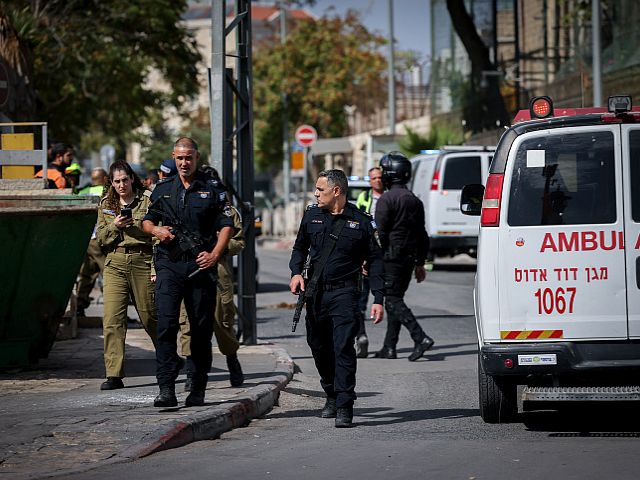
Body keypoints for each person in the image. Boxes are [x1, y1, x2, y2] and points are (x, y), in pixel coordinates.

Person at [143, 137, 234, 408]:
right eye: (180, 158)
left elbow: (227, 223)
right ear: (174, 156)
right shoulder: (163, 187)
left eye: (189, 158)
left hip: (200, 266)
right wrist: (156, 230)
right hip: (169, 264)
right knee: (167, 326)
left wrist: (215, 255)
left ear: (197, 157)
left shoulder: (212, 188)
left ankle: (197, 387)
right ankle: (166, 388)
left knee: (200, 329)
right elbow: (147, 220)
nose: (184, 163)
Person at [289, 169, 384, 428]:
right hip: (316, 293)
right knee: (318, 347)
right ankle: (330, 391)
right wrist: (296, 273)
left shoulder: (361, 221)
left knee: (343, 347)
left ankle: (344, 404)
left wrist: (378, 297)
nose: (316, 194)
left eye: (321, 189)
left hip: (346, 293)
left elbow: (375, 260)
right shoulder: (311, 216)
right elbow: (299, 247)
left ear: (337, 191)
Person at [179, 166, 245, 390]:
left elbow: (239, 241)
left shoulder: (227, 212)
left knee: (222, 320)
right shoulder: (184, 206)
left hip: (218, 271)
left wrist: (221, 244)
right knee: (188, 321)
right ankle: (191, 372)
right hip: (190, 268)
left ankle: (232, 359)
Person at [96, 160, 158, 390]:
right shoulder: (106, 204)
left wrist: (155, 268)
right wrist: (115, 226)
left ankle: (167, 358)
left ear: (132, 178)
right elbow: (100, 238)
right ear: (111, 183)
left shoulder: (148, 200)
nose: (121, 185)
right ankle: (114, 374)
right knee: (112, 320)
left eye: (124, 180)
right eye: (116, 181)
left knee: (150, 316)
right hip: (115, 262)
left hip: (143, 260)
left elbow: (157, 237)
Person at [373, 152, 434, 361]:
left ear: (389, 175)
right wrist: (420, 262)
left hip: (391, 257)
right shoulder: (414, 200)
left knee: (392, 299)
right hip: (408, 258)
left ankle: (420, 337)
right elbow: (422, 235)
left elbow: (379, 233)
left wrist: (369, 259)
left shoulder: (386, 199)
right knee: (395, 300)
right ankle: (389, 347)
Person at [353, 166, 385, 358]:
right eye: (373, 178)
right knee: (360, 299)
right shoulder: (364, 198)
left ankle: (390, 345)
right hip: (369, 250)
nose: (377, 181)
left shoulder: (390, 197)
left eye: (380, 178)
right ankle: (361, 335)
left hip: (385, 254)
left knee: (388, 299)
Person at [76, 168, 110, 317]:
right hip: (100, 238)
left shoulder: (82, 193)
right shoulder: (108, 192)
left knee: (87, 273)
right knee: (109, 273)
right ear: (104, 178)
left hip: (85, 239)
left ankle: (79, 306)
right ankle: (114, 308)